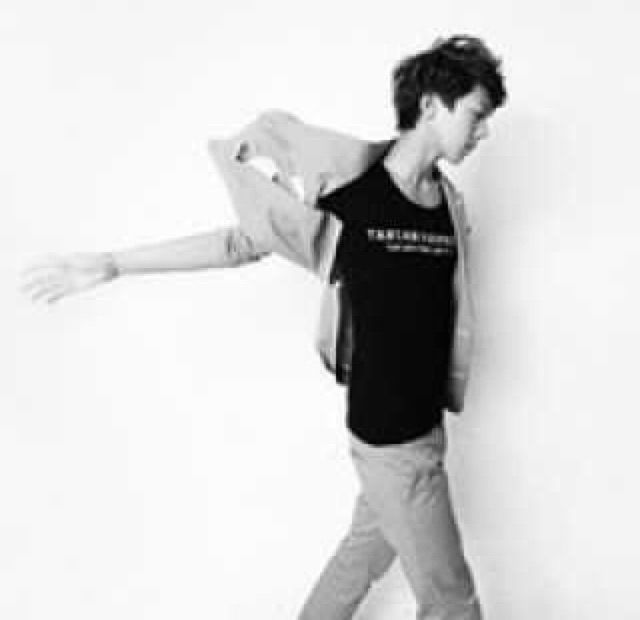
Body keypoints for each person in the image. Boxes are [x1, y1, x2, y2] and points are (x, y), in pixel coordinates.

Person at [22, 34, 506, 620]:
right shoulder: (349, 198)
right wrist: (113, 264)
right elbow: (237, 243)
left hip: (424, 429)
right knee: (453, 603)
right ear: (431, 104)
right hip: (392, 442)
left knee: (358, 559)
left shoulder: (449, 205)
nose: (483, 132)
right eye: (477, 114)